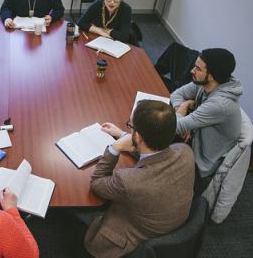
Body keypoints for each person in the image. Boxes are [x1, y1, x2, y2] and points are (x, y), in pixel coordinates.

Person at [82, 100, 194, 257]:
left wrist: (115, 148)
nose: (131, 129)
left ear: (139, 137)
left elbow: (96, 183)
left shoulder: (129, 182)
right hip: (170, 221)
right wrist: (123, 135)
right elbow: (155, 154)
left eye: (131, 127)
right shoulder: (185, 151)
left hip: (134, 236)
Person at [171, 48, 242, 195]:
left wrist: (184, 108)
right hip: (193, 139)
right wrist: (187, 117)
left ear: (212, 75)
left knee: (151, 146)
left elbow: (176, 127)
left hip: (198, 163)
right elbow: (177, 94)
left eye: (197, 68)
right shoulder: (205, 84)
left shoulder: (220, 105)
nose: (192, 70)